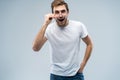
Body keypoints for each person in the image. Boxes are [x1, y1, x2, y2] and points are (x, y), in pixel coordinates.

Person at [32, 0, 93, 80]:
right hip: (56, 75)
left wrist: (83, 64)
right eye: (57, 12)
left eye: (63, 11)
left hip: (75, 75)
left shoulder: (78, 26)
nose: (60, 15)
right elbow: (35, 48)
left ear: (68, 12)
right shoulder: (49, 29)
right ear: (53, 14)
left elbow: (89, 44)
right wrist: (45, 24)